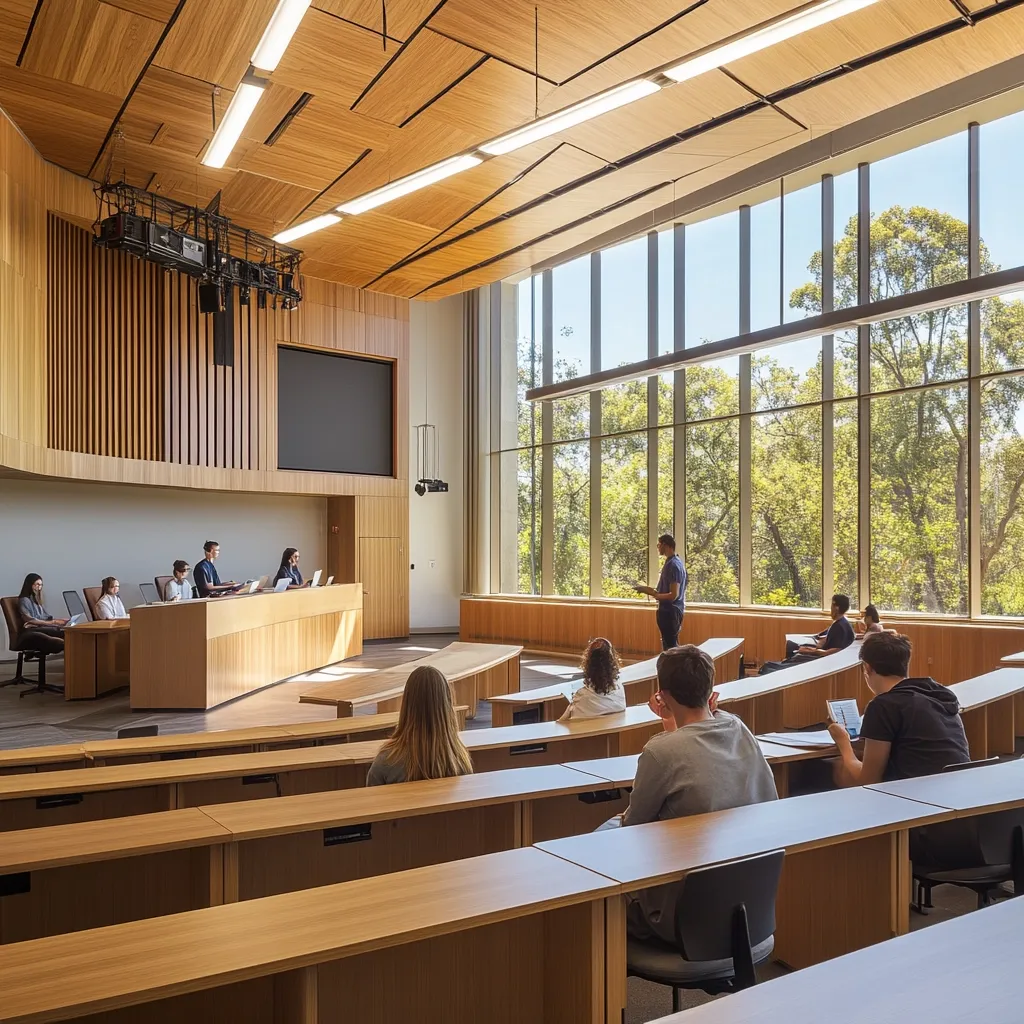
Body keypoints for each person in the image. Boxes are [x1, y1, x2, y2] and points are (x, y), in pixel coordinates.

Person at [616, 645, 778, 943]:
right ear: (711, 688)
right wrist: (670, 724)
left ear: (662, 694)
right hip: (747, 902)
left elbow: (633, 830)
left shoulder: (660, 751)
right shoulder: (739, 728)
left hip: (682, 914)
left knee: (603, 854)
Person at [827, 632, 969, 787]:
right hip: (959, 788)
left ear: (867, 668)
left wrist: (843, 743)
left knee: (834, 768)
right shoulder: (939, 695)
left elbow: (868, 780)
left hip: (917, 797)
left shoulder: (883, 706)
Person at [366, 665, 473, 786]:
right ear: (446, 706)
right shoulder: (458, 758)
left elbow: (372, 797)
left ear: (407, 705)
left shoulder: (387, 760)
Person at [761, 594, 855, 673]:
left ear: (836, 608)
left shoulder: (840, 626)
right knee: (791, 646)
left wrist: (810, 650)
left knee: (770, 666)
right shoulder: (842, 622)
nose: (830, 608)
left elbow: (831, 651)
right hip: (821, 653)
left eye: (831, 606)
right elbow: (828, 638)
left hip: (821, 660)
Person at [635, 534, 687, 651]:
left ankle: (671, 668)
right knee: (670, 645)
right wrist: (647, 590)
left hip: (670, 612)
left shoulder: (673, 565)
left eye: (658, 545)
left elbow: (673, 595)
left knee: (670, 648)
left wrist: (656, 595)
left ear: (665, 545)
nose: (658, 547)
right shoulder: (674, 562)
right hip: (671, 611)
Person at [559, 638, 627, 721]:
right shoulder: (619, 690)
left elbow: (565, 722)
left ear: (588, 664)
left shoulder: (582, 697)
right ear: (612, 661)